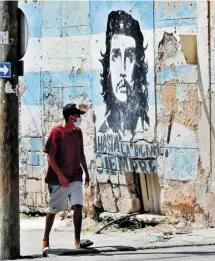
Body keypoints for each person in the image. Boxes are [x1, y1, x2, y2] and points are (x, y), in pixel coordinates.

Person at [42, 103, 93, 252]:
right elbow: (50, 157)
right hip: (58, 178)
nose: (79, 118)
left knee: (77, 206)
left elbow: (81, 153)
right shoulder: (56, 132)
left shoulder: (78, 132)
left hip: (75, 175)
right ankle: (46, 239)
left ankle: (77, 241)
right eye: (77, 115)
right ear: (71, 117)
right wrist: (60, 176)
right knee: (53, 209)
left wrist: (86, 172)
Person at [99, 10, 149, 140]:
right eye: (115, 55)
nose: (123, 70)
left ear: (138, 66)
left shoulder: (146, 130)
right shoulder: (102, 132)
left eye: (129, 56)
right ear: (107, 67)